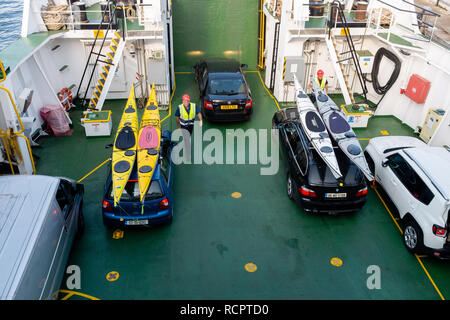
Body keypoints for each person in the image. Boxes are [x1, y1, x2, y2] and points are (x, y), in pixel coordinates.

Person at [175, 94, 202, 162]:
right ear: (183, 101)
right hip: (183, 126)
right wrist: (178, 127)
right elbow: (177, 118)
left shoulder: (193, 106)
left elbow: (198, 113)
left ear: (189, 101)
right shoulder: (179, 107)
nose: (186, 102)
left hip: (190, 125)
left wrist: (201, 120)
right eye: (185, 101)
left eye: (187, 101)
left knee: (189, 136)